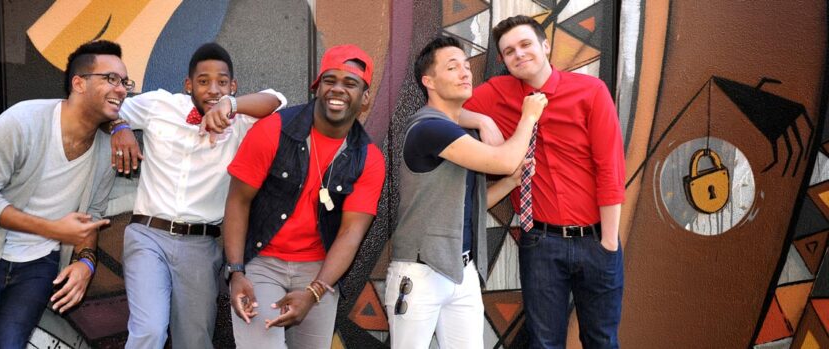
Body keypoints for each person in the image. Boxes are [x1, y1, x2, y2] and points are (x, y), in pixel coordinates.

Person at [0, 40, 126, 348]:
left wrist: (87, 263)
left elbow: (91, 219)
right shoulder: (21, 122)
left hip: (38, 266)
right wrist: (55, 229)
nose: (121, 89)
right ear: (79, 83)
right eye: (111, 79)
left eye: (125, 82)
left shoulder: (105, 151)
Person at [106, 42, 287, 349]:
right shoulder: (159, 105)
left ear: (233, 85)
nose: (213, 89)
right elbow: (105, 105)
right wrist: (120, 126)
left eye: (222, 82)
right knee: (149, 330)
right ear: (188, 85)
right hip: (148, 234)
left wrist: (232, 105)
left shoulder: (241, 121)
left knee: (195, 342)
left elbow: (277, 100)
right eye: (203, 81)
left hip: (200, 246)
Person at [463, 15, 626, 348]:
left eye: (525, 45)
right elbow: (443, 112)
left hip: (596, 240)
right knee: (544, 342)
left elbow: (610, 166)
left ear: (545, 46)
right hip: (540, 242)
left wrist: (608, 242)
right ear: (503, 60)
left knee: (601, 340)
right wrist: (480, 118)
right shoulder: (498, 93)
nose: (519, 55)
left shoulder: (590, 92)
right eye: (509, 51)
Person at [386, 35, 545, 349]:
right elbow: (504, 158)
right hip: (421, 271)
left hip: (462, 270)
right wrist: (528, 117)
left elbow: (471, 206)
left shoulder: (457, 129)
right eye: (452, 66)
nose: (465, 72)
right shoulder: (429, 129)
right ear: (428, 81)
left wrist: (511, 182)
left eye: (466, 65)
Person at [222, 44, 386, 349]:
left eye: (350, 83)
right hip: (262, 262)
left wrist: (314, 292)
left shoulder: (368, 158)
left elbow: (351, 233)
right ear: (317, 87)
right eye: (330, 80)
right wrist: (236, 271)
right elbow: (237, 201)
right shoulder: (273, 130)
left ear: (365, 98)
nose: (337, 89)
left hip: (319, 269)